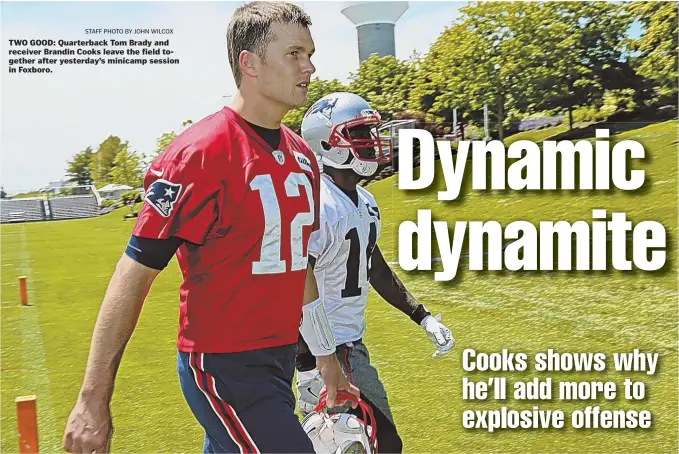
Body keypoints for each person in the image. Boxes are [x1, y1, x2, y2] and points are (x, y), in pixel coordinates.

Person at [62, 4, 358, 453]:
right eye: (295, 53)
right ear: (250, 63)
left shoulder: (300, 156)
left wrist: (324, 356)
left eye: (310, 53)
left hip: (277, 360)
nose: (310, 66)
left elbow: (300, 266)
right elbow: (134, 272)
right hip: (224, 366)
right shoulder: (199, 154)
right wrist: (92, 398)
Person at [295, 92, 456, 453]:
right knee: (382, 443)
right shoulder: (316, 203)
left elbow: (374, 266)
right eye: (359, 133)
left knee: (337, 443)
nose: (371, 141)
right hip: (331, 349)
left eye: (370, 131)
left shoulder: (364, 201)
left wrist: (422, 316)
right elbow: (293, 285)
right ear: (327, 142)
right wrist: (311, 360)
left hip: (347, 345)